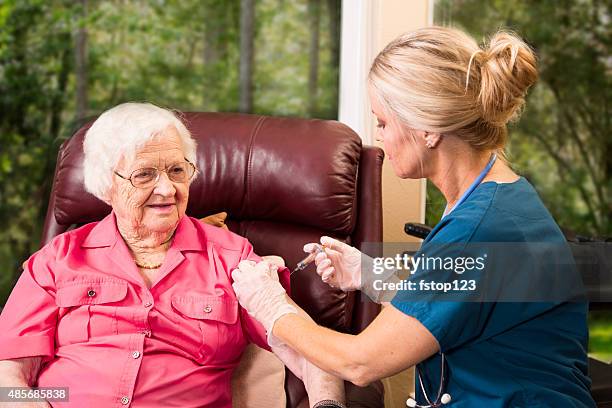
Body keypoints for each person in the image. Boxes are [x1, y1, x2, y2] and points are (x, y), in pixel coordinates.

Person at [231, 27, 596, 407]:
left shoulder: (480, 229)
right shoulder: (494, 199)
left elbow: (361, 362)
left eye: (384, 122)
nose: (379, 136)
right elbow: (456, 305)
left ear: (429, 129)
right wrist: (372, 276)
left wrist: (272, 306)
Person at [0, 103, 344, 407]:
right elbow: (8, 378)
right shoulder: (58, 259)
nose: (167, 190)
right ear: (107, 184)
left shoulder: (232, 259)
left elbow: (307, 349)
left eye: (177, 171)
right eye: (145, 174)